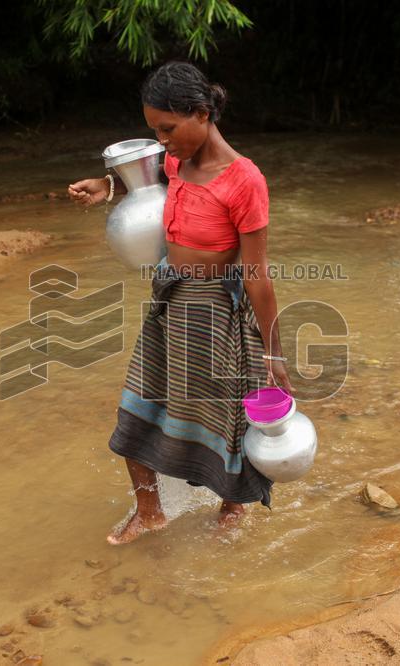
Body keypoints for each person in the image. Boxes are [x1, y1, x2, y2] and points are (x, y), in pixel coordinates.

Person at [68, 61, 292, 545]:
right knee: (137, 406)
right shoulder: (175, 162)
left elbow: (257, 273)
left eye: (168, 128)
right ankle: (149, 511)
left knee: (225, 419)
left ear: (201, 113)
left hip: (216, 312)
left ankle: (232, 508)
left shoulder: (244, 180)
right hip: (170, 301)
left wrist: (274, 353)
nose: (162, 141)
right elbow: (147, 182)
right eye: (155, 130)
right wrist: (106, 186)